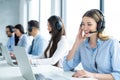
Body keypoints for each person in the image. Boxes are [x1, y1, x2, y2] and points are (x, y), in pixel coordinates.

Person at [63, 9, 120, 80]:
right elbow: (67, 67)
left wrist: (92, 75)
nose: (84, 28)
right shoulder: (82, 45)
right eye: (83, 24)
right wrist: (76, 42)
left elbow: (118, 75)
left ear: (99, 26)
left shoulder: (112, 43)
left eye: (89, 24)